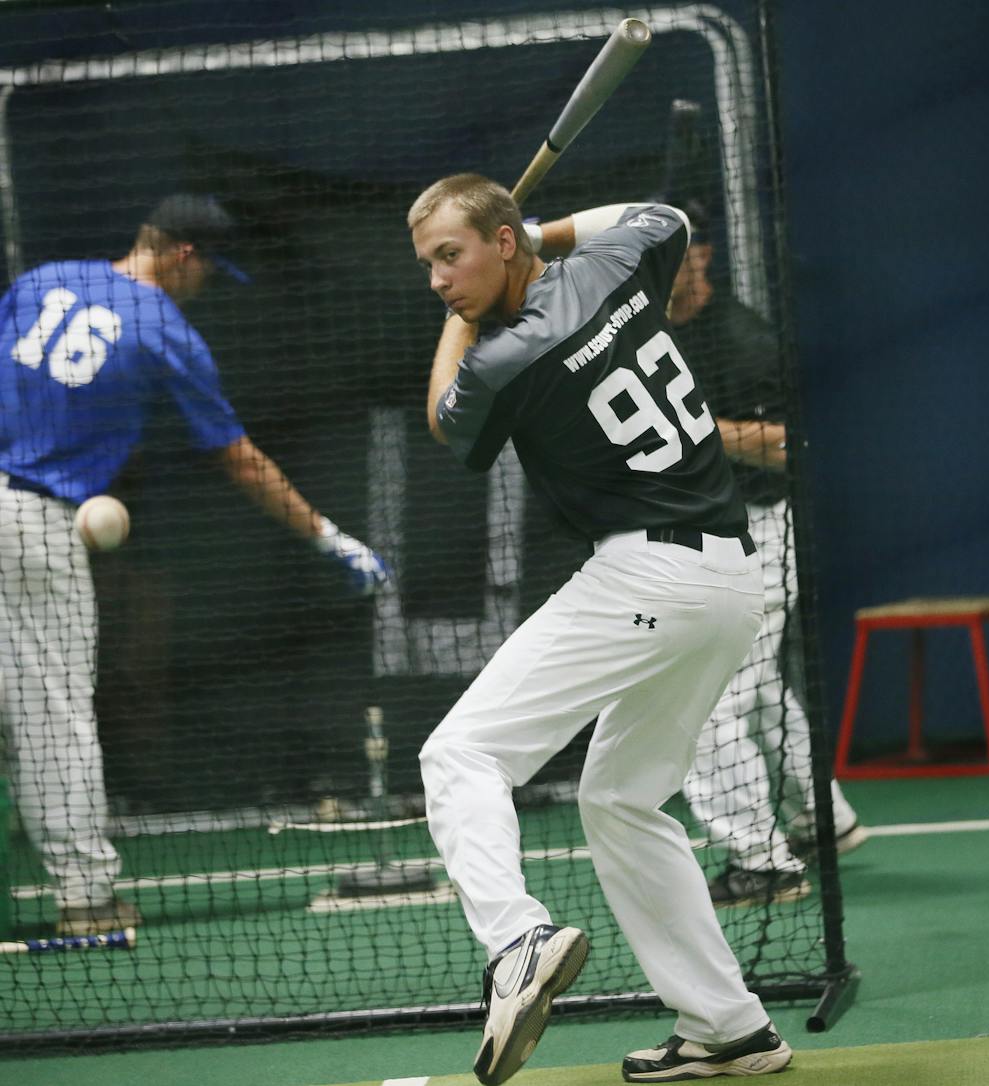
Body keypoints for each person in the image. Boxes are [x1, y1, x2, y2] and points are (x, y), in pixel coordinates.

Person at [409, 175, 793, 1085]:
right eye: (426, 265)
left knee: (458, 757)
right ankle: (730, 1027)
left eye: (448, 257)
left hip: (649, 572)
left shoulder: (505, 356)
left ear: (502, 244)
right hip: (732, 574)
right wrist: (531, 232)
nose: (436, 281)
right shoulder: (620, 269)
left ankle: (515, 945)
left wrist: (467, 311)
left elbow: (442, 421)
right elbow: (667, 216)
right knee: (619, 799)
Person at [0, 193, 391, 937]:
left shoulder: (41, 280)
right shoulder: (162, 328)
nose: (206, 284)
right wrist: (330, 538)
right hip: (35, 525)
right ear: (184, 255)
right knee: (54, 720)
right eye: (209, 269)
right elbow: (239, 459)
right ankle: (86, 900)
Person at [666, 202, 867, 908]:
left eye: (680, 249)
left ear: (706, 255)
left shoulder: (745, 341)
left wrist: (700, 430)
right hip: (711, 542)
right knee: (761, 695)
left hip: (759, 544)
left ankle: (763, 861)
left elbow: (790, 450)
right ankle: (825, 819)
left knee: (702, 708)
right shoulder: (658, 333)